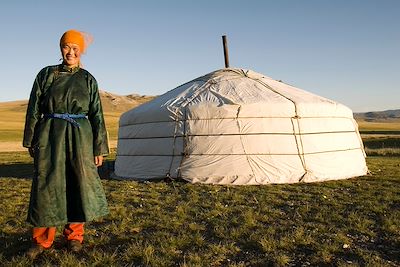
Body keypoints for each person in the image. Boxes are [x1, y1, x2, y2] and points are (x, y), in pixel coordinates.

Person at [23, 29, 109, 259]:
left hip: (80, 137)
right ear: (60, 49)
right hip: (50, 135)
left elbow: (97, 115)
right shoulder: (46, 75)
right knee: (47, 186)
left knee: (77, 184)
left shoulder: (87, 79)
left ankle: (74, 238)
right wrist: (31, 139)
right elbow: (33, 108)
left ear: (81, 51)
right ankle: (42, 240)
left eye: (75, 48)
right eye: (66, 47)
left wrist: (99, 147)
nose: (70, 52)